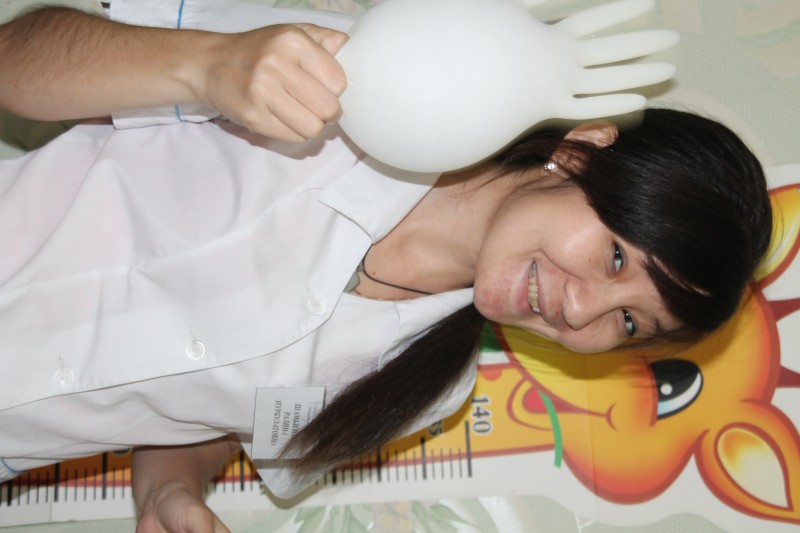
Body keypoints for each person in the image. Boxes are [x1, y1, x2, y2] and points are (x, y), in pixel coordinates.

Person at [0, 3, 772, 533]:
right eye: (616, 257)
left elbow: (196, 413)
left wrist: (171, 489)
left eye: (629, 321)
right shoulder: (361, 82)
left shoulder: (427, 389)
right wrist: (208, 65)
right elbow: (16, 56)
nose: (581, 311)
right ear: (581, 153)